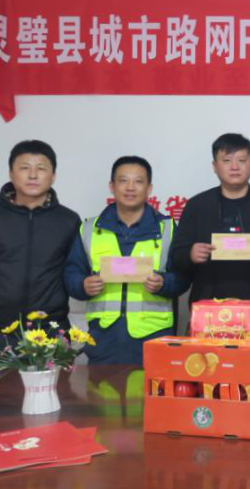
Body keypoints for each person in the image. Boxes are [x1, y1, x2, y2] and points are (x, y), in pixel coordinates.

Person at [0, 140, 81, 362]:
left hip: (50, 330)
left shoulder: (68, 220)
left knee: (55, 386)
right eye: (25, 167)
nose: (33, 175)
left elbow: (72, 269)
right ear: (11, 174)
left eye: (41, 168)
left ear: (53, 176)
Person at [63, 156, 190, 365]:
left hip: (154, 339)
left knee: (150, 387)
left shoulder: (168, 229)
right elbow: (71, 273)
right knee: (101, 387)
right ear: (111, 186)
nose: (130, 187)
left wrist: (164, 283)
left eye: (138, 181)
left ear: (149, 188)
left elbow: (184, 276)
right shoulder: (89, 229)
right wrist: (82, 285)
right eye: (123, 180)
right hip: (103, 338)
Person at [168, 133, 250, 311]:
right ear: (215, 166)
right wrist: (190, 254)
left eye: (241, 160)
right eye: (226, 160)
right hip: (207, 307)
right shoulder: (197, 205)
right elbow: (176, 256)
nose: (234, 167)